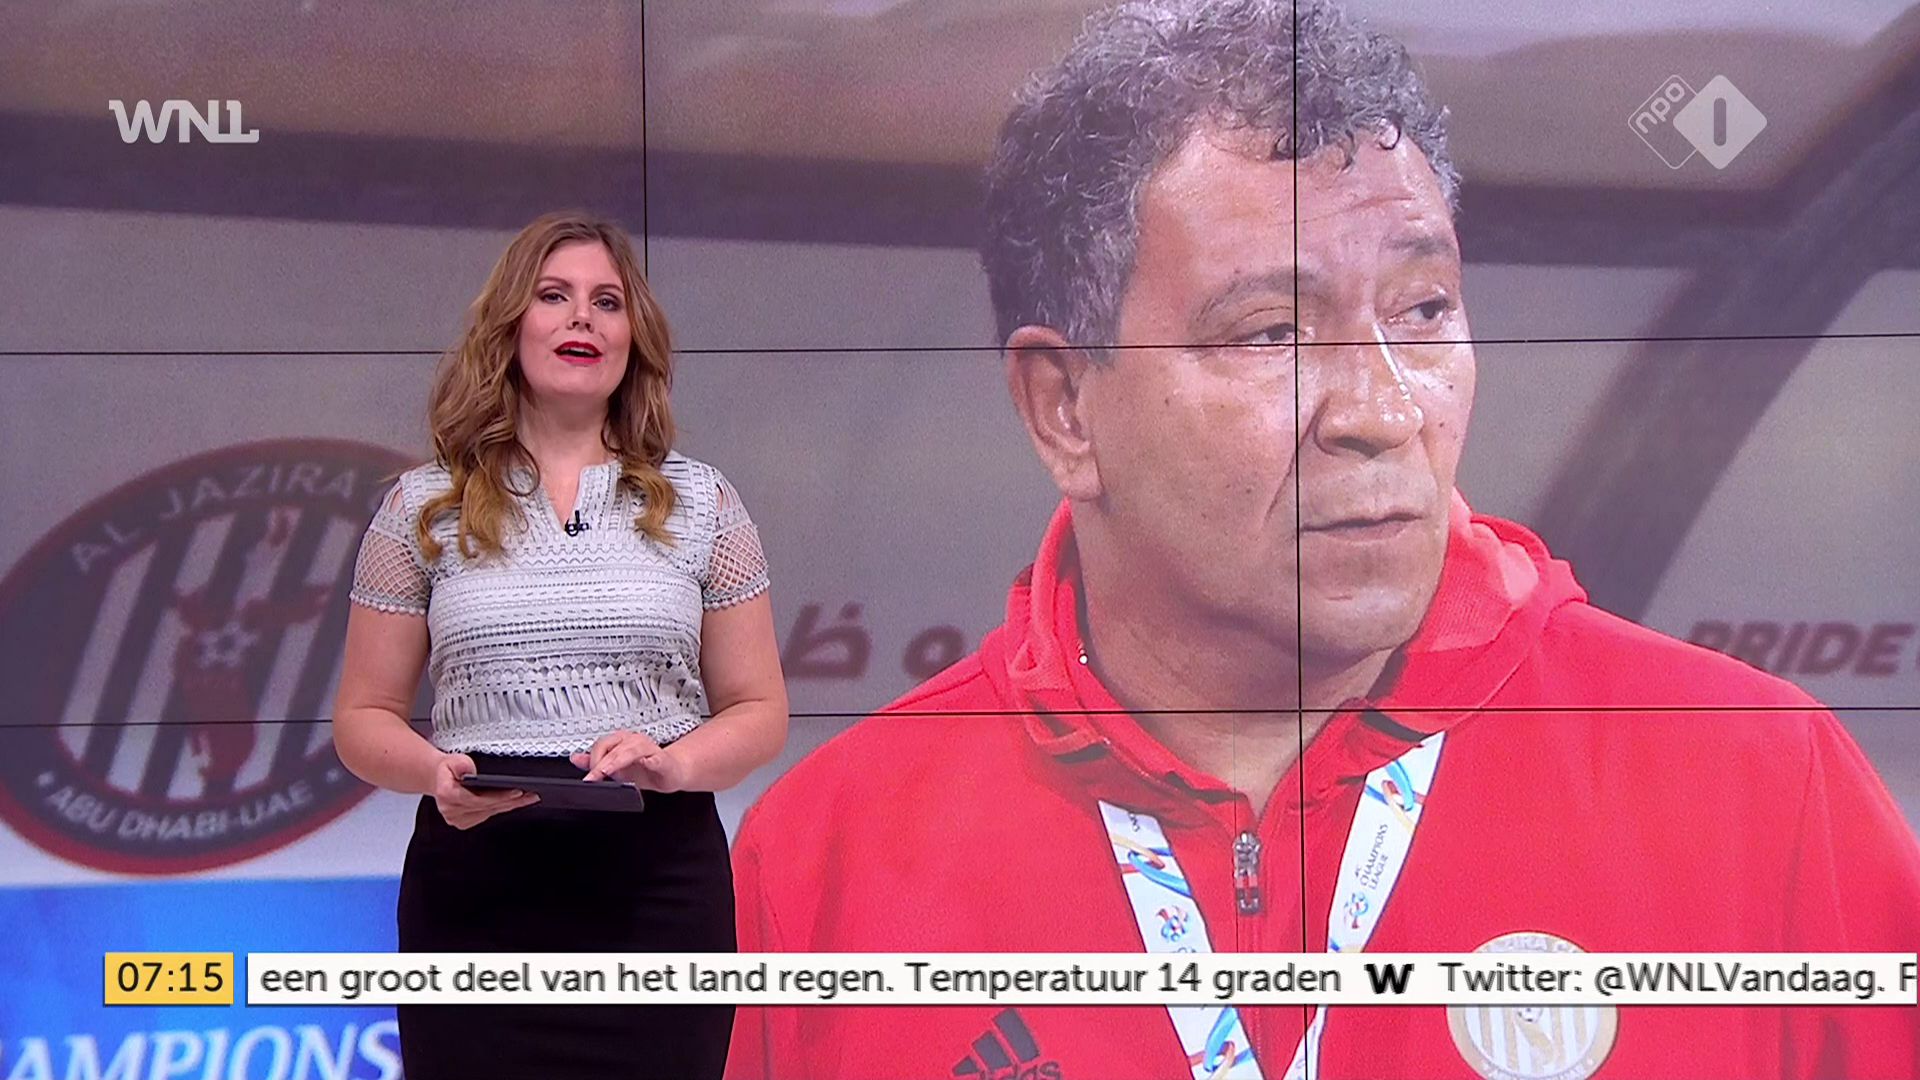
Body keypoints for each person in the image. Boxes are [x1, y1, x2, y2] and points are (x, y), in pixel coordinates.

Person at [725, 3, 1920, 1079]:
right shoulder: (830, 862)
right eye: (1269, 333)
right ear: (1064, 408)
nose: (1383, 410)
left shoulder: (1758, 783)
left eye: (1424, 309)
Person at [332, 212, 787, 1080]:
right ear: (510, 327)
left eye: (607, 302)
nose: (583, 317)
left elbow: (759, 710)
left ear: (632, 337)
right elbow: (363, 717)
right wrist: (433, 774)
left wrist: (674, 765)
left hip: (658, 890)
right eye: (554, 296)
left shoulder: (703, 503)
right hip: (477, 888)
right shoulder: (422, 507)